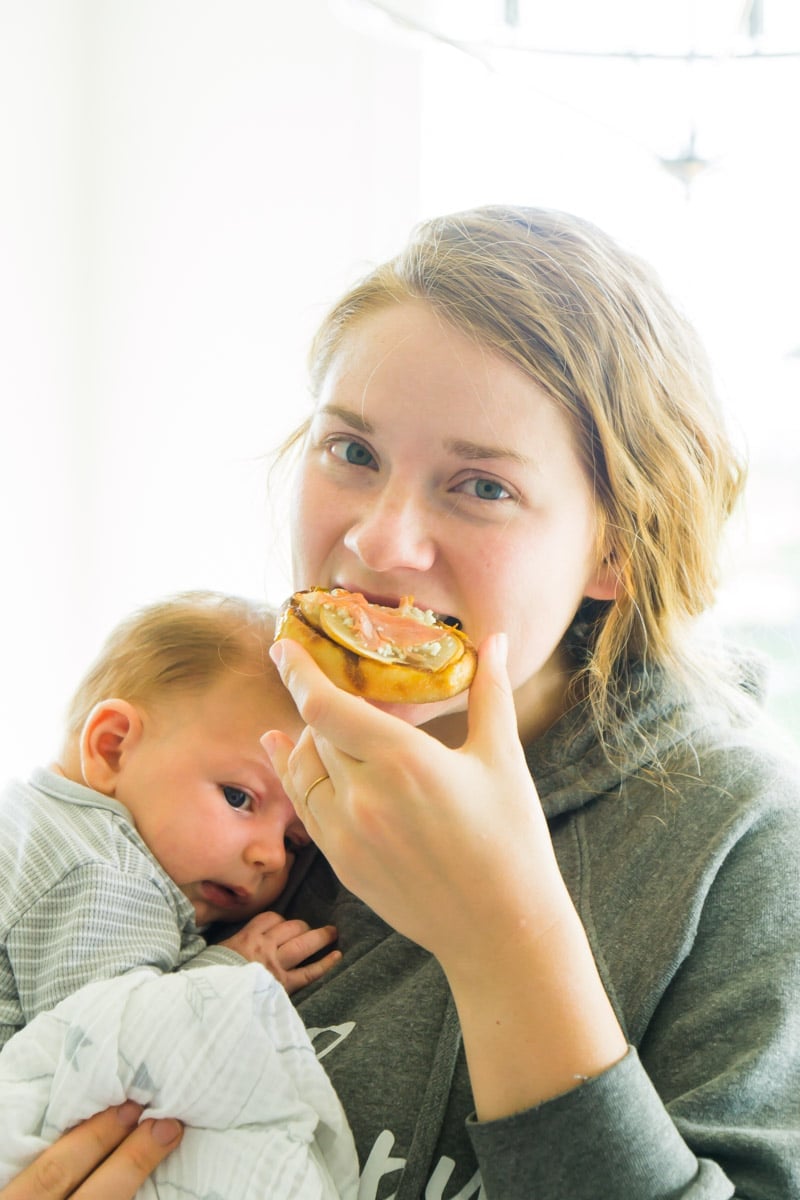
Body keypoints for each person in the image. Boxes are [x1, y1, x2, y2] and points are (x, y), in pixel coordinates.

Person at [6, 204, 800, 1199]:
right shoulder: (227, 743)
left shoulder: (743, 841)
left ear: (616, 549)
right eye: (352, 452)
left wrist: (505, 937)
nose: (380, 544)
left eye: (479, 486)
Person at [0, 590, 358, 1199]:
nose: (270, 856)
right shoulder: (99, 865)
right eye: (239, 797)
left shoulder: (42, 825)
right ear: (112, 747)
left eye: (295, 842)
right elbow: (115, 1052)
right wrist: (233, 970)